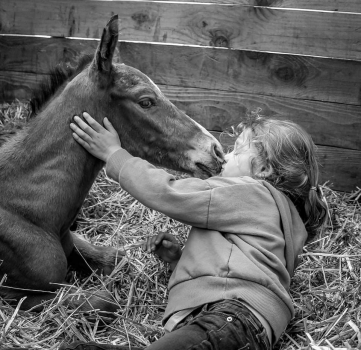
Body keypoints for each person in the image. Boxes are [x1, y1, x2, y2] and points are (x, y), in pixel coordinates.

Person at [62, 111, 327, 350]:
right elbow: (239, 264)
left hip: (231, 317)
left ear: (263, 169)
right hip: (240, 325)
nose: (226, 156)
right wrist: (181, 259)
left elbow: (169, 193)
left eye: (237, 151)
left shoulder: (252, 192)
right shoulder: (274, 217)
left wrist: (114, 154)